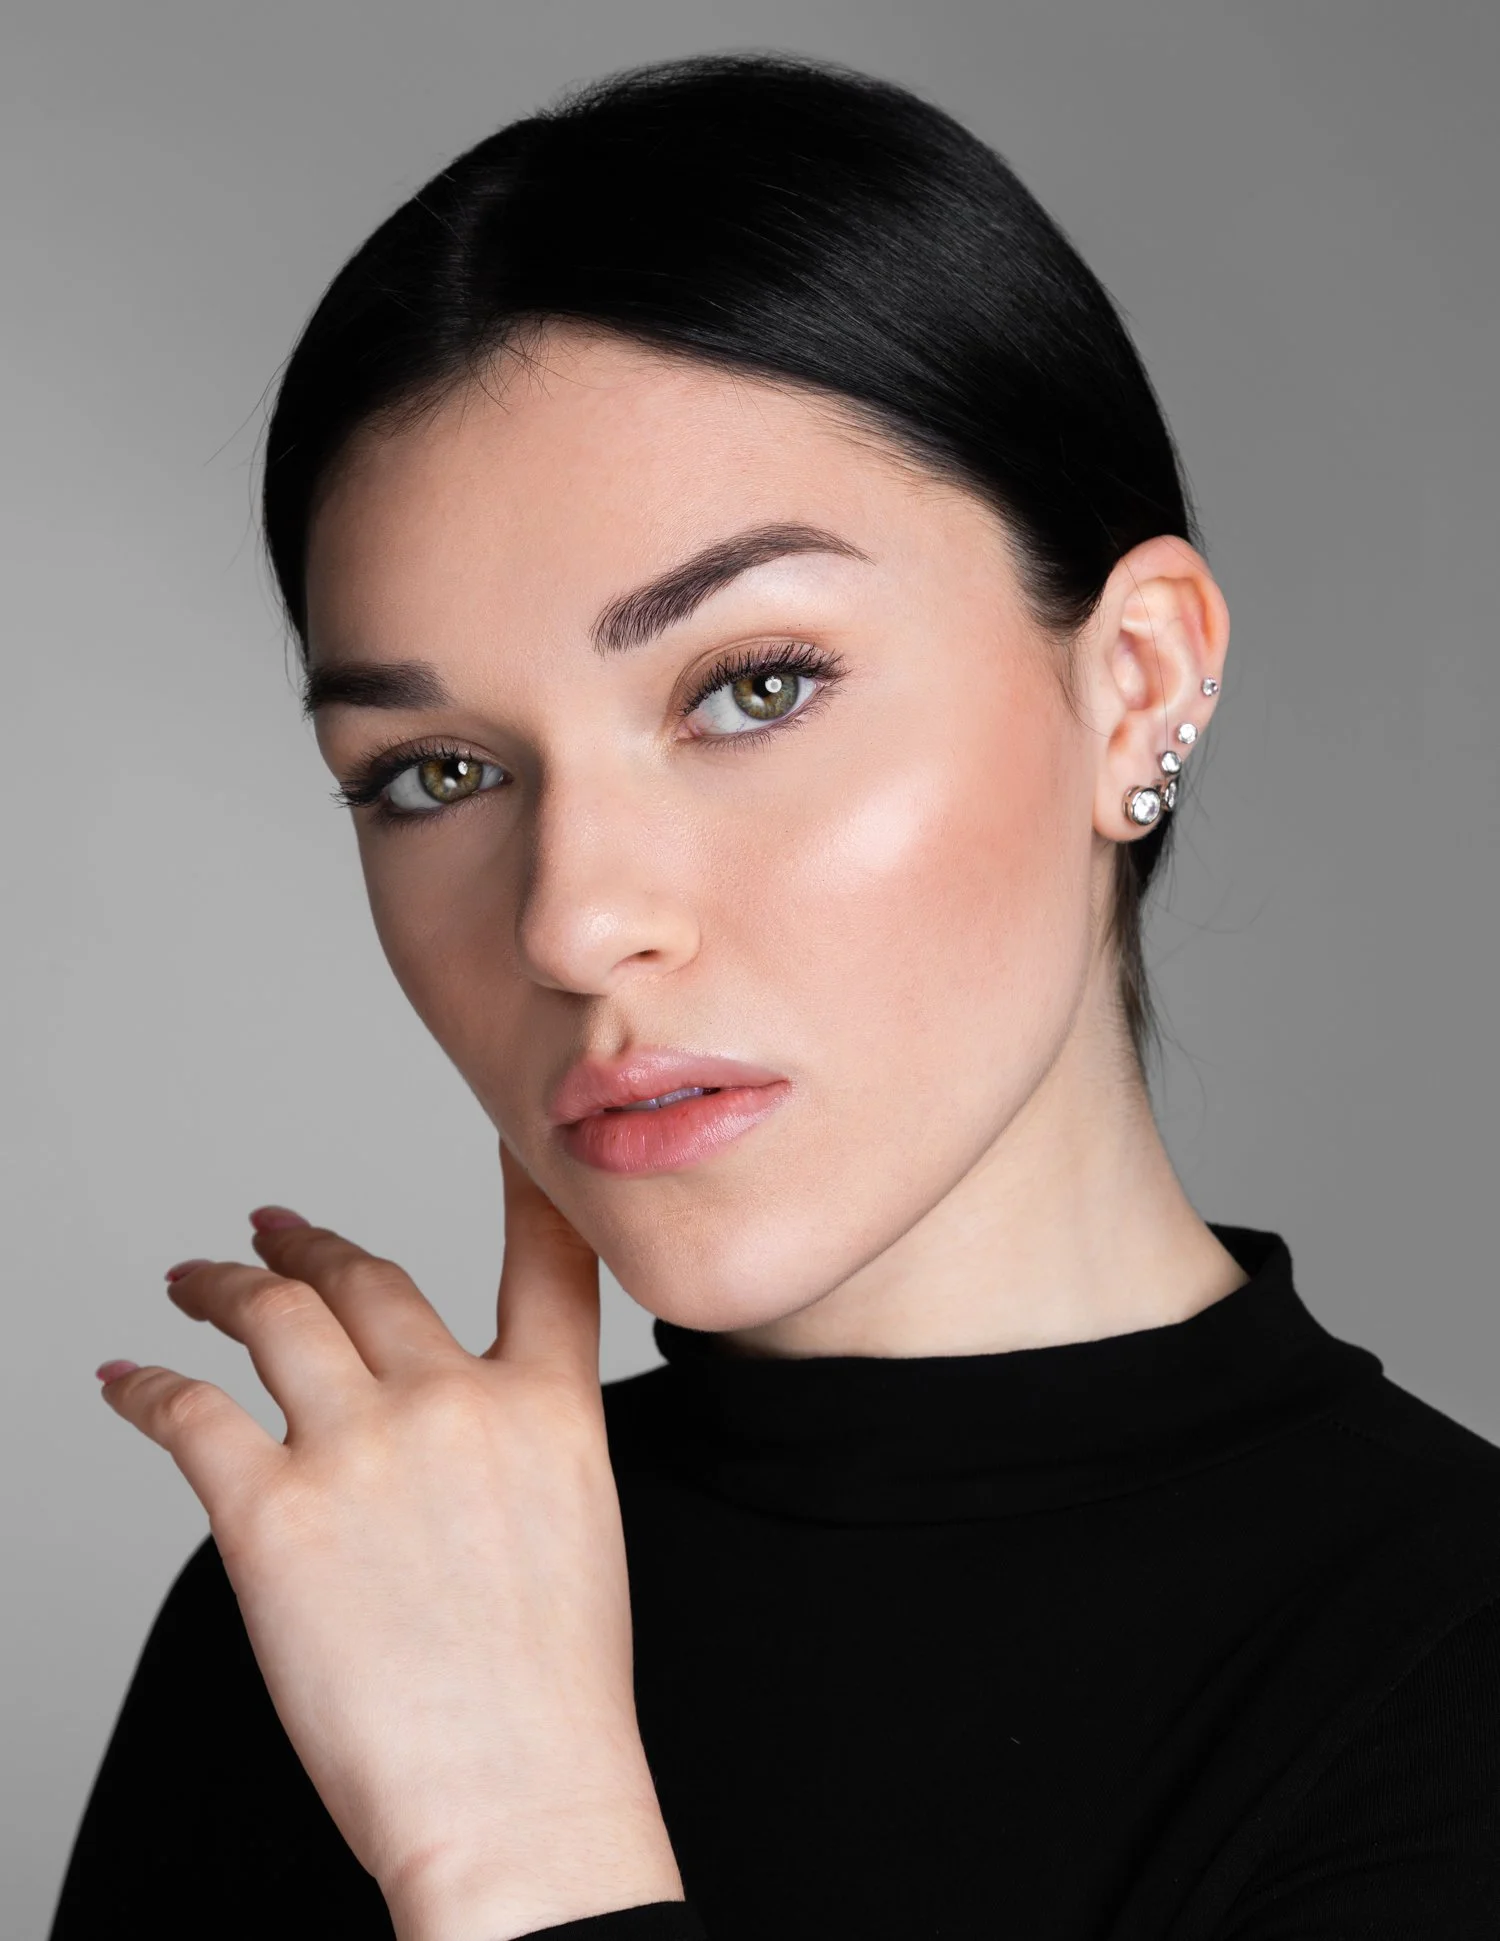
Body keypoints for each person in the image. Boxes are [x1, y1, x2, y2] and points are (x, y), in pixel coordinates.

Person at [48, 49, 1500, 1941]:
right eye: (434, 773)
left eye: (753, 687)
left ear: (1132, 681)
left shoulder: (1444, 1677)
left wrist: (520, 1844)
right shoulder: (360, 1581)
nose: (572, 922)